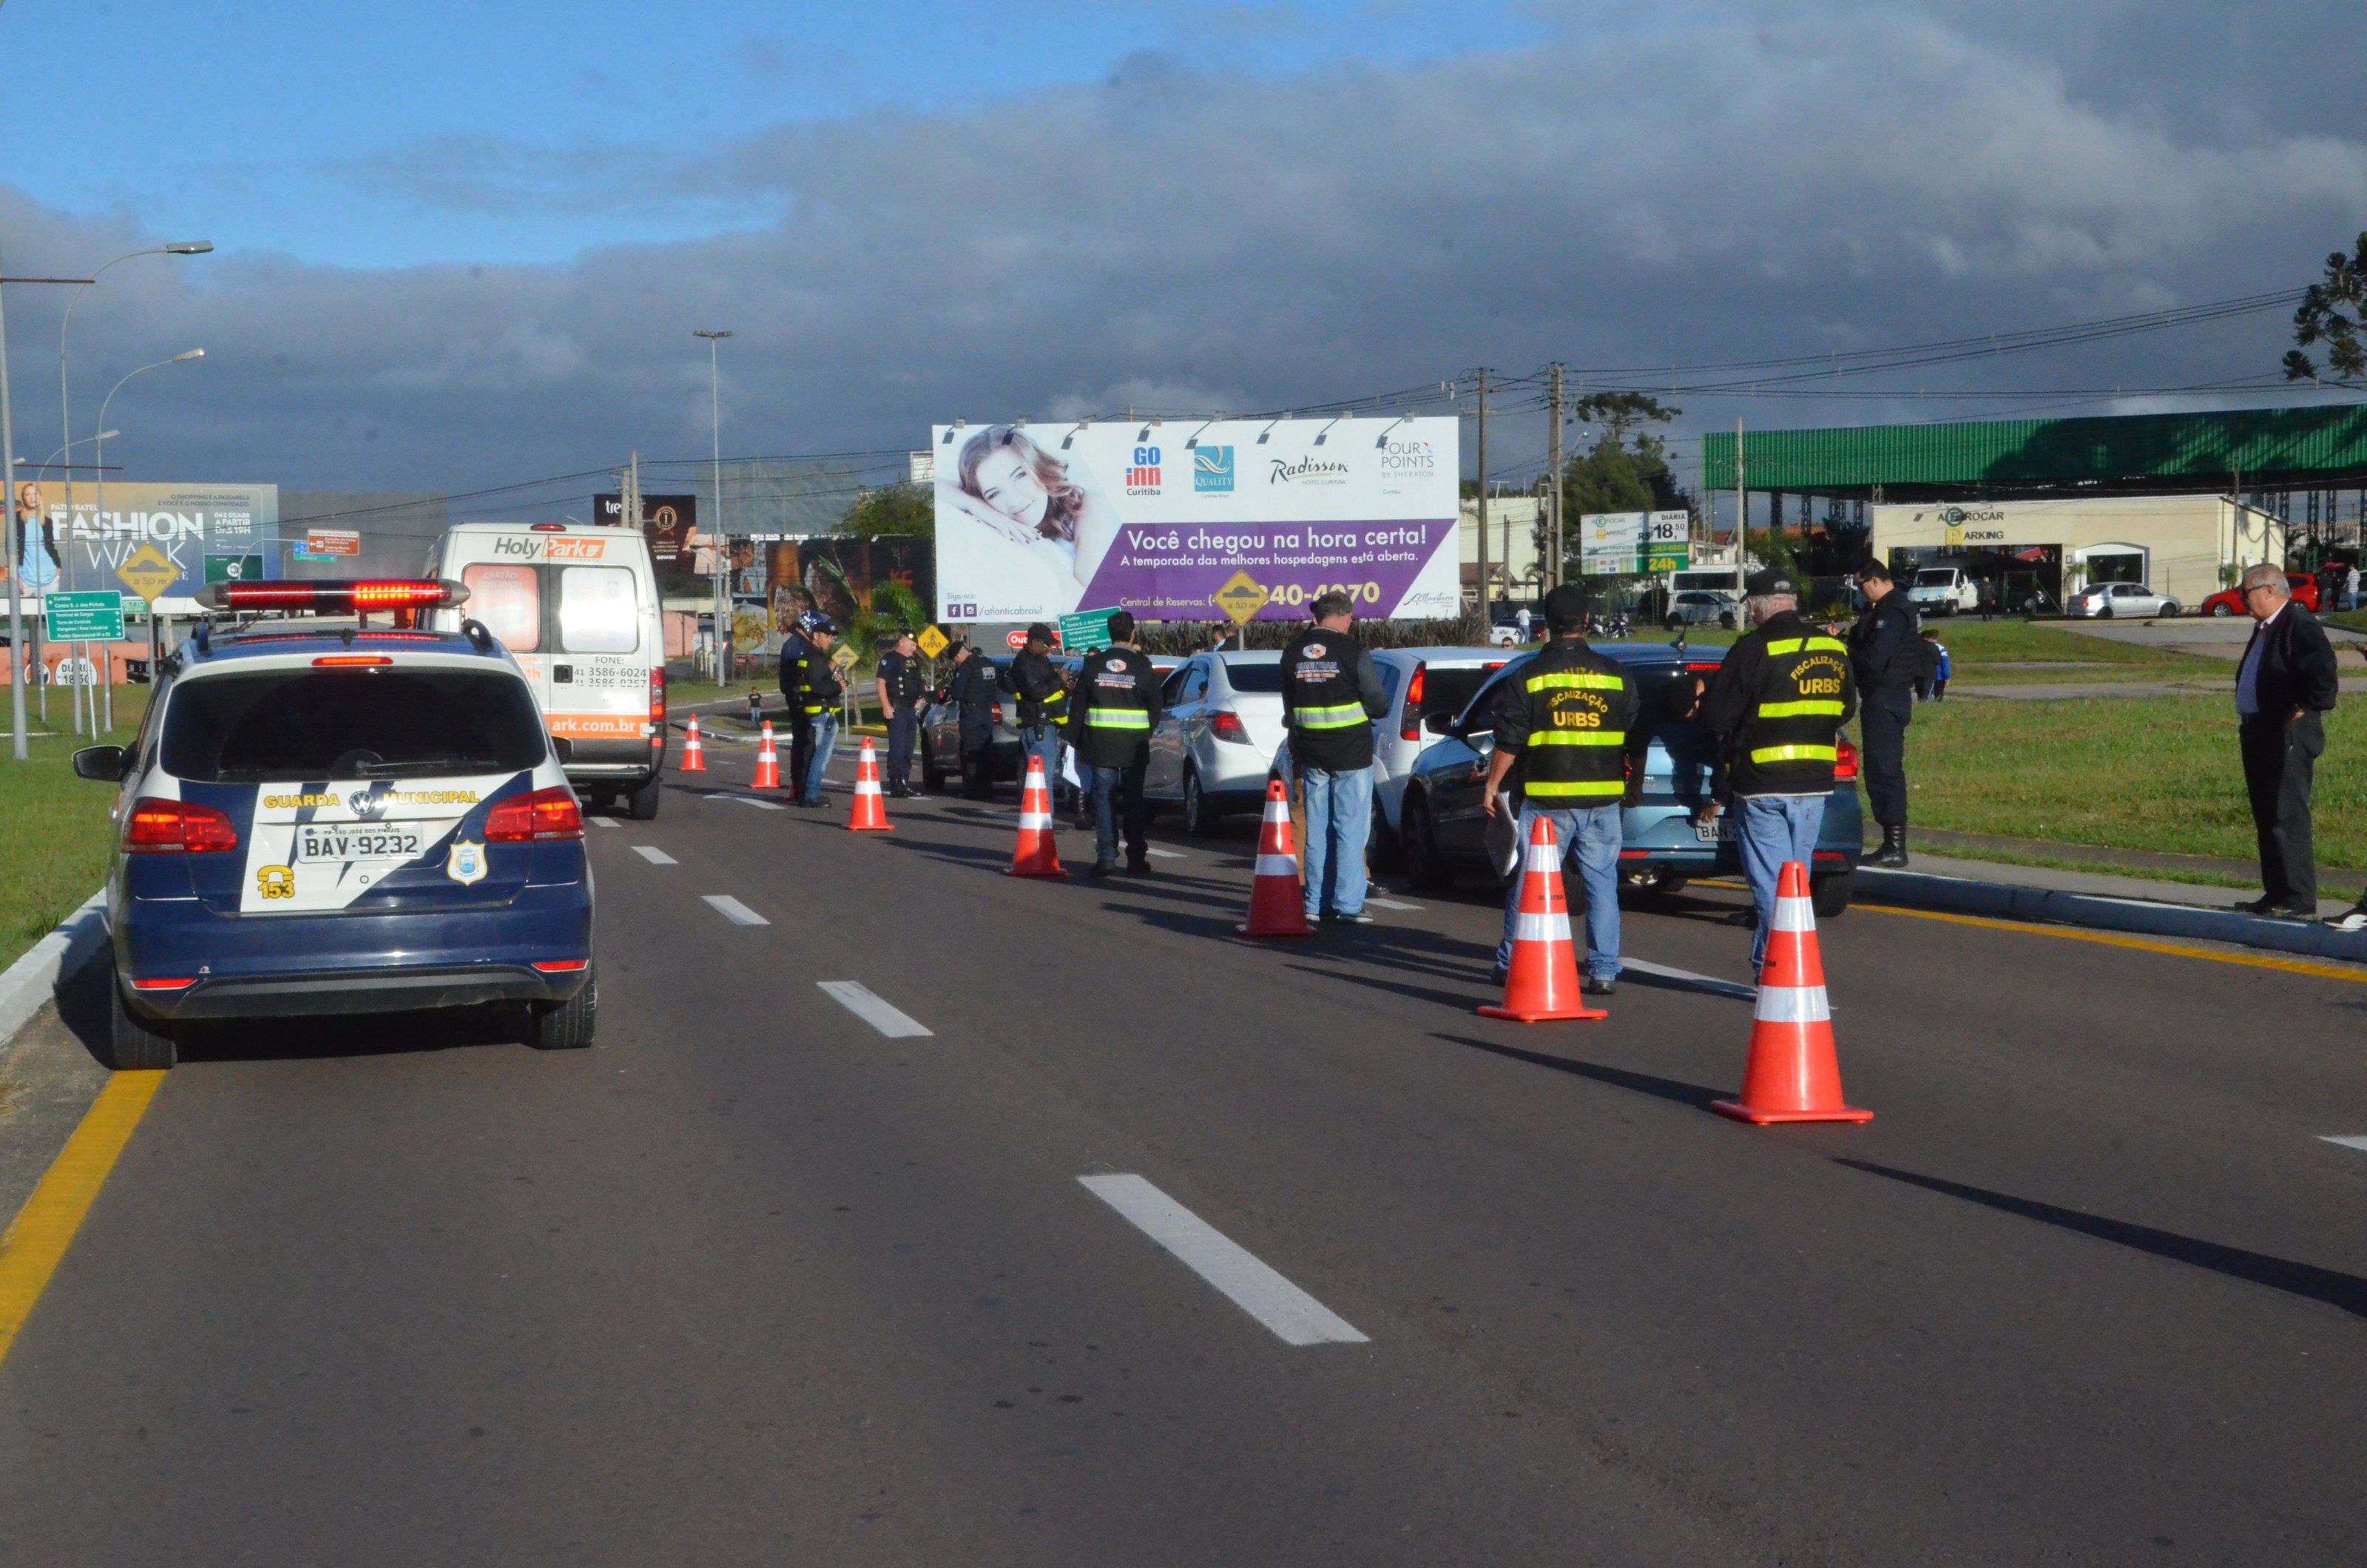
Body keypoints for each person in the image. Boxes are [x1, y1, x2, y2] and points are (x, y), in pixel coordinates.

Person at [1695, 570, 1857, 980]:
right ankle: (1782, 963)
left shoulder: (1753, 648)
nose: (1750, 612)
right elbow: (1846, 708)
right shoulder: (1832, 646)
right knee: (1797, 881)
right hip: (1815, 783)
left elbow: (1717, 719)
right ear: (1793, 602)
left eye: (1750, 606)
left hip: (1762, 784)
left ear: (1757, 605)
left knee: (1772, 885)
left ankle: (1781, 967)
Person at [1480, 583, 1638, 996]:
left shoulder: (1529, 676)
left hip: (1547, 799)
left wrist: (1492, 785)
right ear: (1586, 620)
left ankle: (1511, 962)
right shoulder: (1616, 675)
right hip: (1603, 799)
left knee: (1531, 882)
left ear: (1546, 625)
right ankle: (1604, 969)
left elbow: (1510, 738)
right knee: (1602, 884)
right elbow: (1632, 728)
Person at [2209, 564, 2338, 920]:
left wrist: (2307, 705)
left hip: (2288, 733)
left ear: (2269, 590)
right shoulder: (2266, 626)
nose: (2241, 599)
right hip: (2260, 730)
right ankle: (2277, 892)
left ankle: (2298, 896)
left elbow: (2323, 671)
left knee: (2286, 813)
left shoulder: (2299, 624)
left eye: (2245, 593)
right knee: (2267, 813)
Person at [1280, 592, 1391, 924]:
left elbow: (1289, 706)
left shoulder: (1293, 652)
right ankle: (1348, 904)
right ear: (1346, 616)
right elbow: (1378, 702)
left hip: (1312, 752)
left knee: (1317, 828)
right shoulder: (1352, 650)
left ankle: (1316, 903)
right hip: (1351, 752)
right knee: (1350, 829)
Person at [937, 425, 1124, 613]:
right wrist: (980, 509)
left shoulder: (1086, 504)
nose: (1014, 500)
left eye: (1019, 476)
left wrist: (1043, 551)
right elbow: (935, 487)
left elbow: (1091, 610)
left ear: (1038, 467)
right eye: (994, 494)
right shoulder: (989, 511)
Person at [1065, 609, 1163, 876]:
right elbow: (1156, 707)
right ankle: (1136, 858)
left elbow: (1078, 706)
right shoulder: (1143, 666)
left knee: (1104, 800)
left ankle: (1106, 858)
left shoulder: (1093, 665)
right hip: (1134, 746)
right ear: (1133, 634)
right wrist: (1146, 732)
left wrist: (1075, 740)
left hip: (1101, 744)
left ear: (1109, 634)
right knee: (1133, 802)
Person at [1848, 561, 1919, 868]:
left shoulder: (1893, 611)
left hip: (1886, 698)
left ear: (1874, 581)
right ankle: (1891, 844)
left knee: (1884, 770)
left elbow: (1874, 658)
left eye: (1861, 586)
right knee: (1879, 770)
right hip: (1881, 697)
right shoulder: (1882, 609)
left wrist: (1847, 654)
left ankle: (1894, 846)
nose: (1860, 592)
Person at [1000, 622, 1073, 808]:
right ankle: (1041, 820)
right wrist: (1059, 680)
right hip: (1038, 725)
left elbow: (1048, 691)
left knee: (1042, 779)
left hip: (1046, 724)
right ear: (1034, 642)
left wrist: (1065, 688)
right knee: (1042, 780)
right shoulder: (1025, 662)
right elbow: (1036, 692)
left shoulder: (1039, 660)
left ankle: (1042, 819)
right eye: (1046, 645)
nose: (1049, 649)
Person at [783, 611, 843, 808]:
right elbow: (819, 687)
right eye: (827, 636)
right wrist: (839, 687)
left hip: (814, 711)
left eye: (831, 637)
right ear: (816, 635)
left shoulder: (810, 655)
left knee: (813, 753)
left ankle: (806, 792)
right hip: (821, 713)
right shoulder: (814, 657)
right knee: (820, 756)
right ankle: (811, 793)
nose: (830, 640)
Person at [874, 629, 927, 798]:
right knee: (897, 748)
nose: (914, 648)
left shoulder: (913, 661)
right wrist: (886, 706)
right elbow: (881, 683)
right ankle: (896, 783)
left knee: (908, 748)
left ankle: (905, 781)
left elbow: (918, 682)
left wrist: (920, 699)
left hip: (910, 709)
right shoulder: (890, 659)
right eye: (912, 644)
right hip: (896, 709)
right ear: (902, 642)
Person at [946, 640, 1002, 797]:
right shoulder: (988, 663)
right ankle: (987, 787)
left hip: (971, 715)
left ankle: (972, 789)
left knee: (971, 752)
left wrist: (951, 689)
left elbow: (958, 693)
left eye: (955, 660)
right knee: (986, 751)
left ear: (958, 656)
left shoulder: (966, 667)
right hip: (987, 713)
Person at [1928, 629, 1951, 700]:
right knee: (1938, 698)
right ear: (1938, 637)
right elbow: (1945, 664)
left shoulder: (1924, 647)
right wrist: (1947, 677)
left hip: (1926, 676)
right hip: (1939, 676)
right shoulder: (1942, 649)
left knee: (1924, 698)